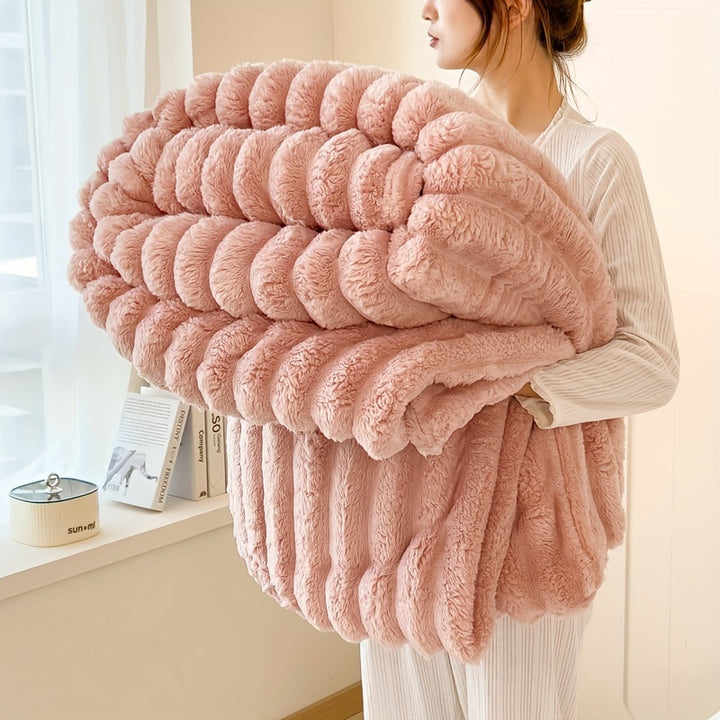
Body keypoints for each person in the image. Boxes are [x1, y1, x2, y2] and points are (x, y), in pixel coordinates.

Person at [359, 1, 680, 718]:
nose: (424, 9)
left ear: (513, 5)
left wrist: (497, 384)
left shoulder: (595, 163)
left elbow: (652, 360)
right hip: (403, 520)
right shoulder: (414, 157)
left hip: (528, 538)